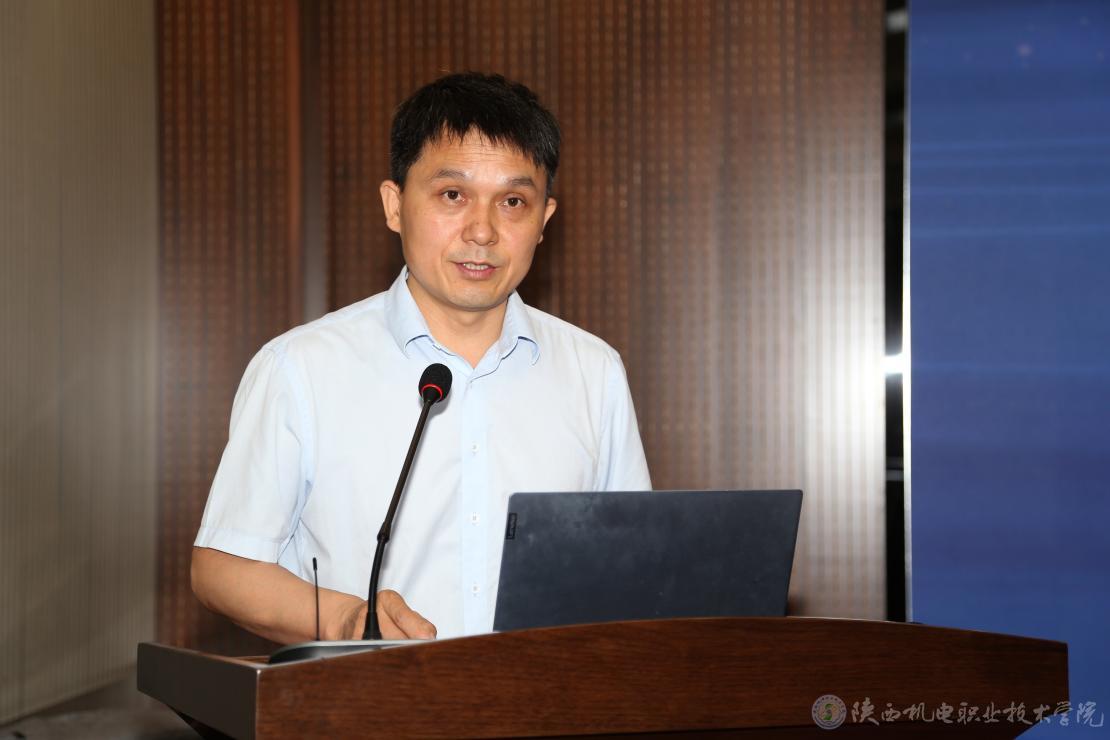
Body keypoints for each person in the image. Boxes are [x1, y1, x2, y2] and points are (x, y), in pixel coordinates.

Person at [191, 72, 651, 644]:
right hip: (367, 695)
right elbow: (223, 568)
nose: (482, 232)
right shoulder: (301, 367)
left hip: (545, 696)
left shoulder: (594, 372)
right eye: (452, 195)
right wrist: (347, 619)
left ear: (543, 221)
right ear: (394, 205)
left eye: (513, 201)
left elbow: (633, 567)